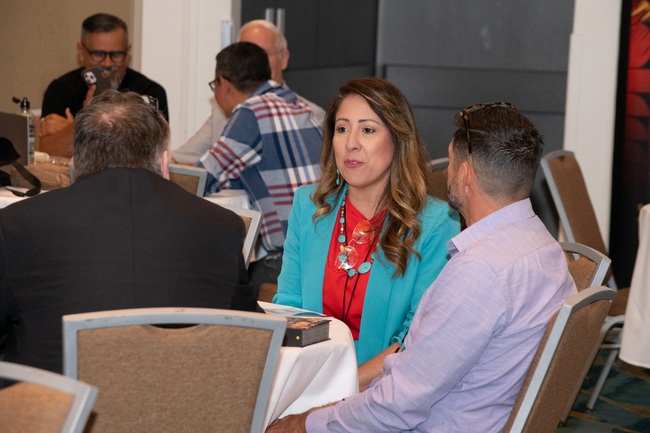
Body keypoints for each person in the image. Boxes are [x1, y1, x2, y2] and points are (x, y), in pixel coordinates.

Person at [267, 102, 578, 432]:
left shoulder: (478, 272)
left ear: (465, 174)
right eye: (342, 129)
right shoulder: (546, 248)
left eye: (451, 162)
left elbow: (395, 407)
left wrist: (303, 424)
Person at [0, 90, 257, 374]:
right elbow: (251, 337)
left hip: (59, 399)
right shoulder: (223, 226)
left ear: (74, 163)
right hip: (186, 397)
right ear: (164, 163)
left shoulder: (15, 225)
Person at [272, 78, 460, 390]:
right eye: (342, 129)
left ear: (398, 140)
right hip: (307, 381)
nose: (351, 143)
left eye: (368, 130)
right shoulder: (309, 206)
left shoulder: (435, 223)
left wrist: (338, 389)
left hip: (385, 391)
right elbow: (288, 306)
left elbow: (415, 340)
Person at [197, 41, 323, 296]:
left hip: (289, 261)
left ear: (224, 84)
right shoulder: (301, 105)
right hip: (323, 252)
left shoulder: (250, 112)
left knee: (220, 288)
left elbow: (205, 178)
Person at [172, 19, 324, 164]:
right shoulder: (223, 109)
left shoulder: (313, 116)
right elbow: (182, 158)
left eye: (262, 54)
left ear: (283, 58)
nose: (253, 63)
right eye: (245, 56)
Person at [39, 13, 168, 158]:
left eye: (117, 54)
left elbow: (149, 155)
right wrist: (86, 117)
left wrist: (79, 125)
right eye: (98, 54)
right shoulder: (61, 89)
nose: (107, 63)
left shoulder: (150, 92)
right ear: (81, 50)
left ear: (128, 51)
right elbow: (47, 150)